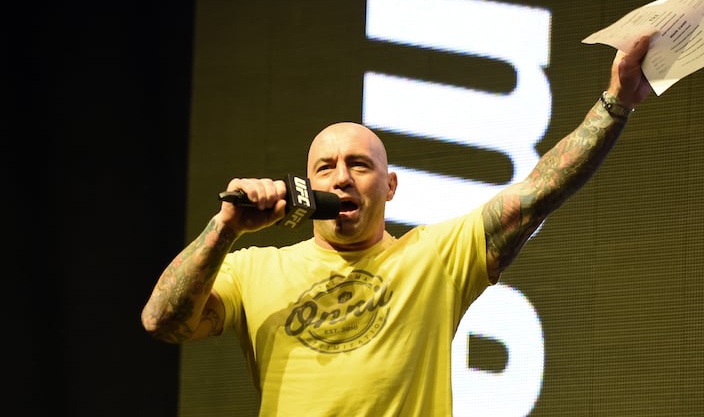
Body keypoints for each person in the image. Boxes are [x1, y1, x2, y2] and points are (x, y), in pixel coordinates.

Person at [142, 35, 654, 416]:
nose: (341, 177)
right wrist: (226, 227)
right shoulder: (256, 269)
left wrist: (614, 105)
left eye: (359, 166)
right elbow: (162, 321)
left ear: (389, 186)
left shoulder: (436, 256)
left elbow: (540, 191)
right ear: (308, 182)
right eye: (326, 167)